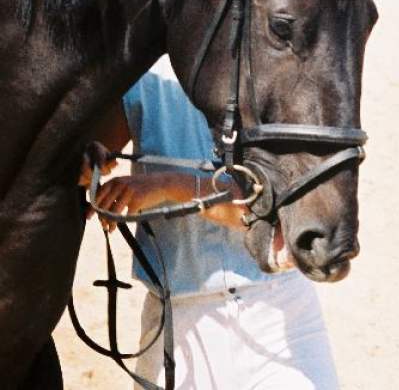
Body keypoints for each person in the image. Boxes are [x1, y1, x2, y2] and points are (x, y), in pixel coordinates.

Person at [82, 56, 339, 390]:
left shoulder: (276, 66)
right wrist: (89, 164)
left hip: (277, 314)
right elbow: (89, 157)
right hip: (175, 325)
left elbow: (275, 209)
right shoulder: (141, 73)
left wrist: (168, 185)